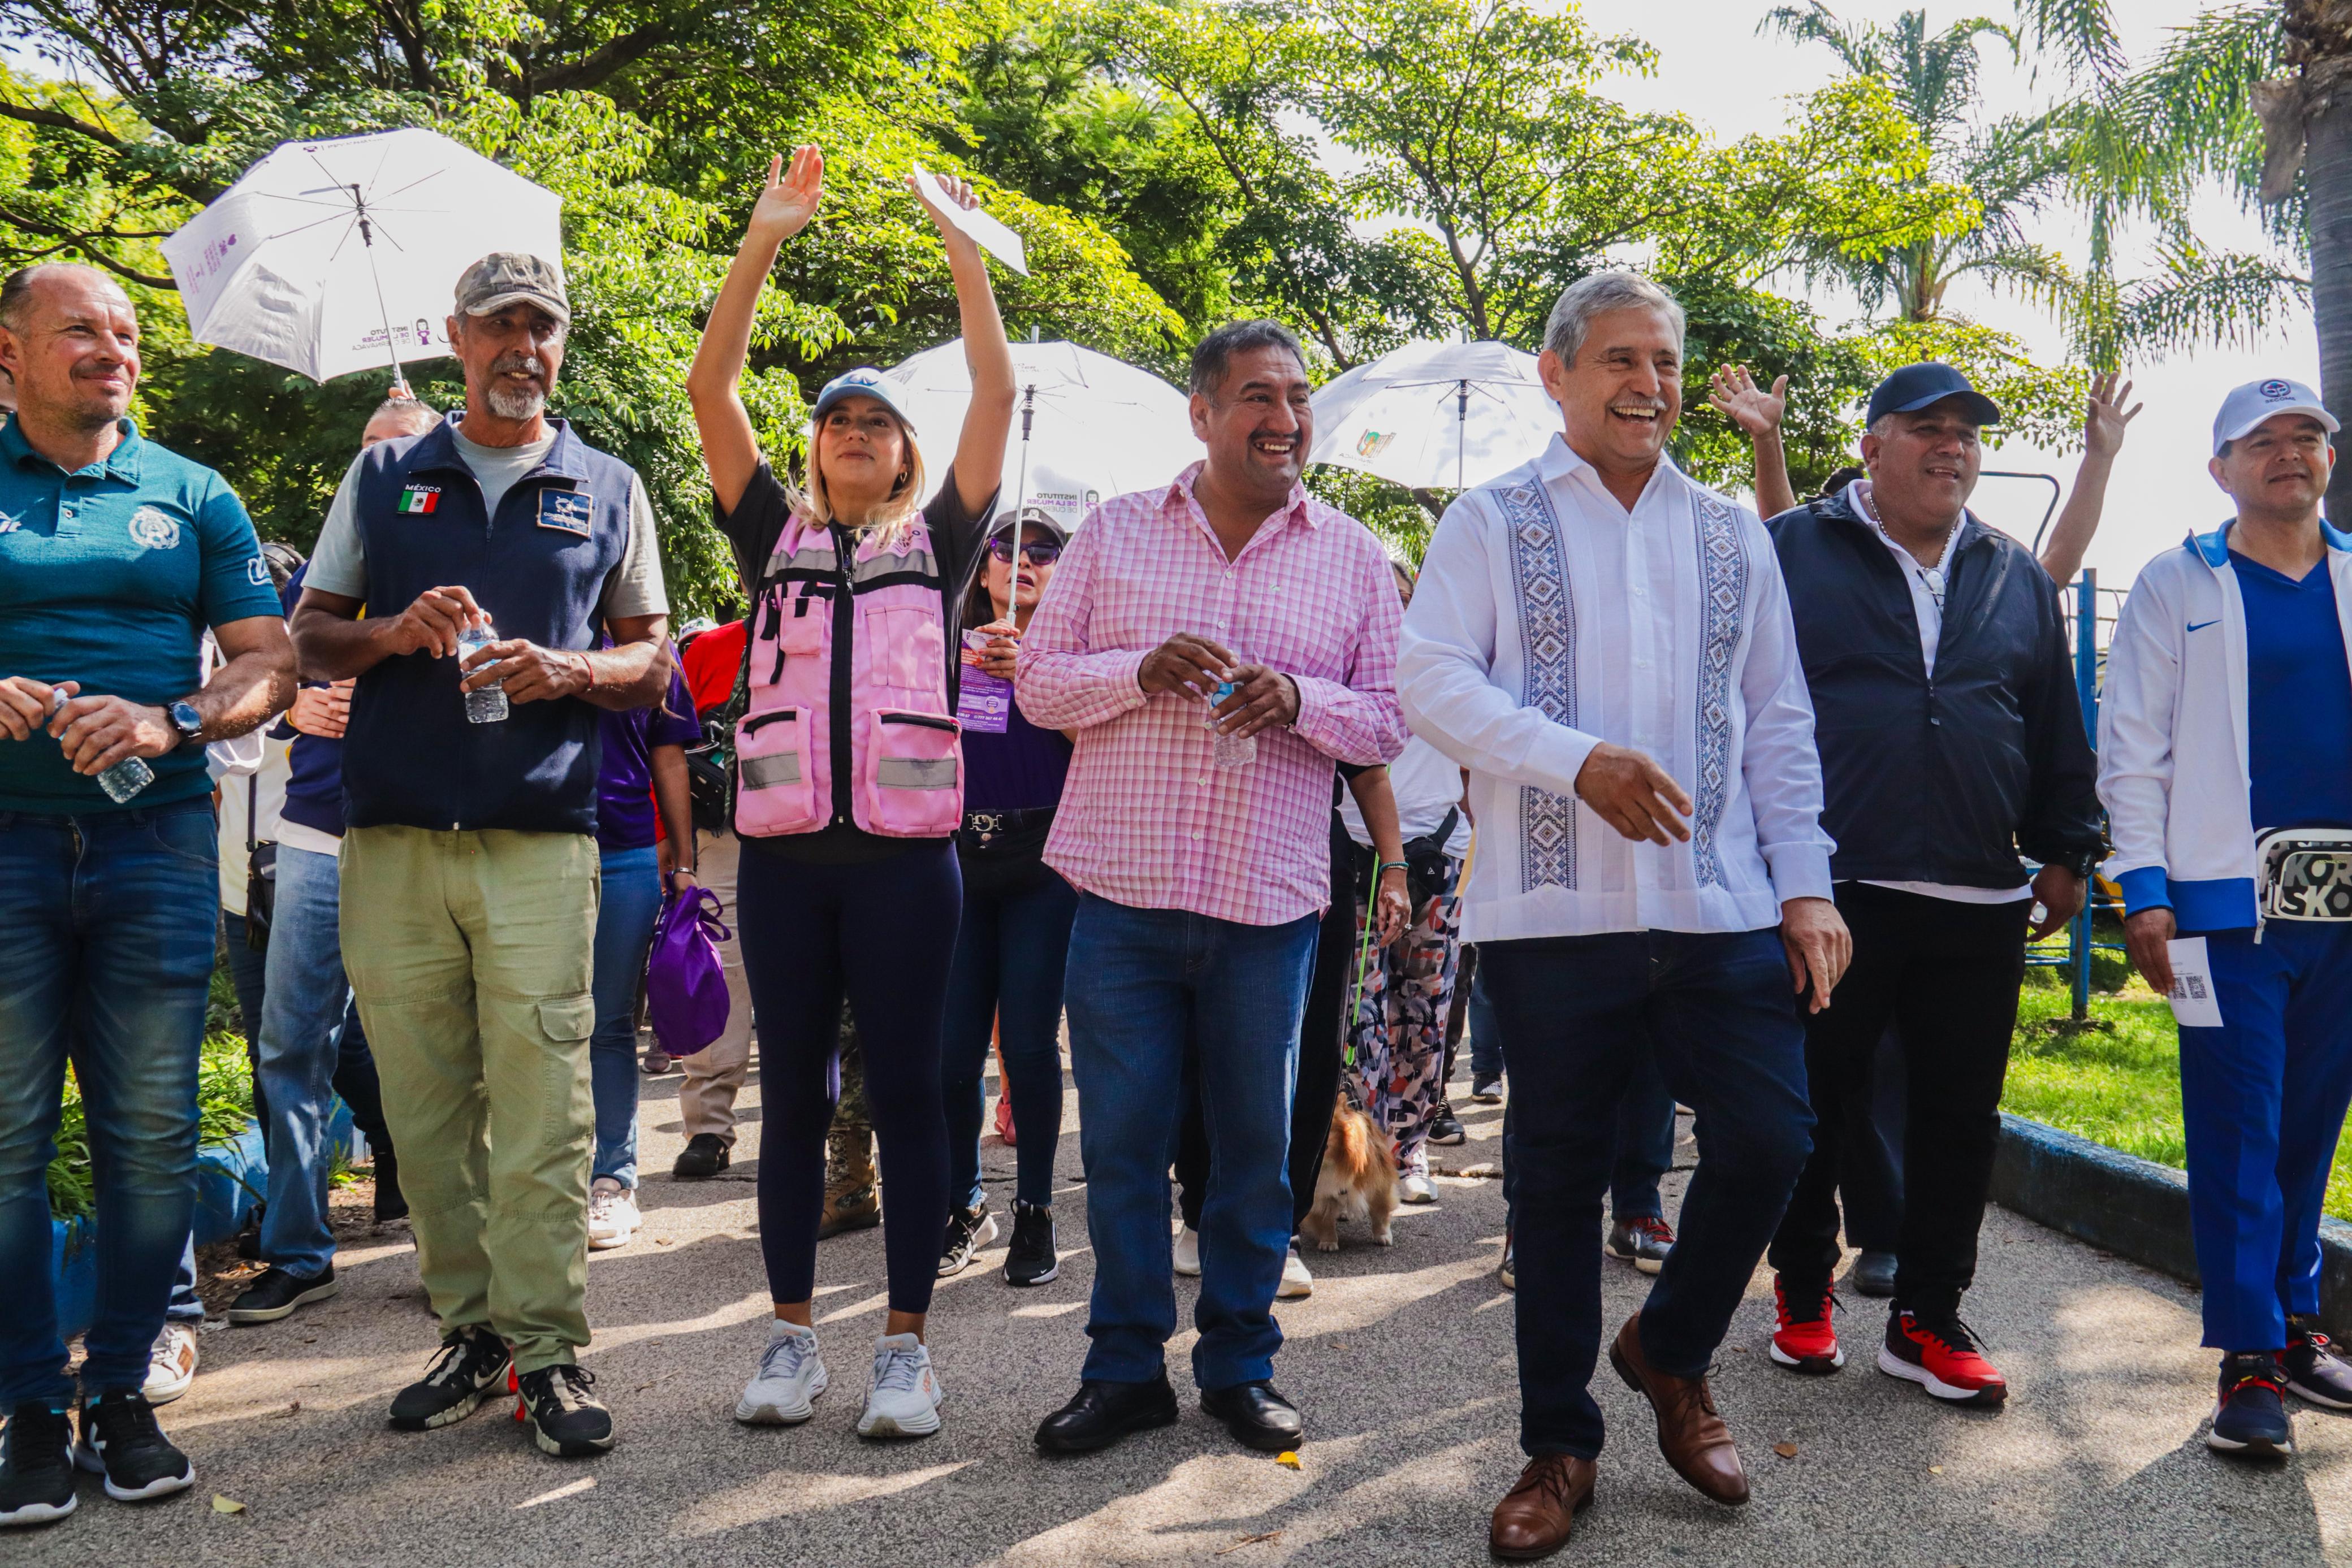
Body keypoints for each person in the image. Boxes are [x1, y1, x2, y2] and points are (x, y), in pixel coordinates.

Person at [1398, 271, 1848, 1558]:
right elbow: (1429, 677)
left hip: (1718, 902)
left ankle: (1670, 1346)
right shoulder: (1493, 520)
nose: (1647, 384)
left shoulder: (1732, 533)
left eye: (1663, 361)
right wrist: (1572, 759)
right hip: (1553, 911)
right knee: (1553, 1182)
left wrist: (1807, 883)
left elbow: (1778, 722)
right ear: (1557, 374)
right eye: (1618, 359)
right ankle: (1559, 1443)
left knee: (1769, 1137)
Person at [289, 252, 673, 1459]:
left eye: (541, 328)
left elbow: (652, 662)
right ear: (455, 337)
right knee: (424, 1107)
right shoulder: (385, 474)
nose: (523, 347)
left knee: (547, 1104)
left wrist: (570, 668)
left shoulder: (607, 484)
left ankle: (547, 1350)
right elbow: (309, 636)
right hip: (394, 839)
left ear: (560, 344)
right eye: (500, 325)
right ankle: (473, 1332)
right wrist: (394, 632)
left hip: (540, 839)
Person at [1021, 317, 1408, 1458]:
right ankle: (1124, 1368)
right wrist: (1139, 670)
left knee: (1253, 1152)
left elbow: (1388, 719)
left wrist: (1299, 698)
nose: (1285, 418)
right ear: (1201, 413)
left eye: (1298, 398)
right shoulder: (1113, 533)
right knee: (1123, 1149)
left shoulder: (1351, 555)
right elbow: (1038, 684)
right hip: (1122, 895)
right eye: (1258, 396)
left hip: (1267, 905)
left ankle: (1240, 1364)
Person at [686, 146, 1013, 1440]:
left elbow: (995, 387)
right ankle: (789, 1340)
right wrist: (764, 236)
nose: (856, 433)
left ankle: (905, 1350)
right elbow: (711, 386)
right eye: (837, 421)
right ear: (816, 449)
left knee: (917, 1096)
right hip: (784, 861)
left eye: (877, 422)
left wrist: (963, 249)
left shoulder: (940, 544)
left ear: (906, 452)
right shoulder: (771, 536)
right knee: (797, 1102)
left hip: (906, 864)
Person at [0, 262, 294, 1527]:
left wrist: (172, 717)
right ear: (9, 353)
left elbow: (270, 661)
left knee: (151, 1137)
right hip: (5, 850)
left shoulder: (194, 492)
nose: (113, 348)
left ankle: (120, 1389)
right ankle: (27, 1406)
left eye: (125, 332)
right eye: (81, 329)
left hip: (156, 846)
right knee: (7, 1142)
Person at [1757, 362, 2102, 1405]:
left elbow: (2051, 717)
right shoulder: (1793, 549)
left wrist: (2066, 846)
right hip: (1834, 885)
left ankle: (1928, 1315)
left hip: (1976, 894)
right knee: (1813, 1102)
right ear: (1872, 445)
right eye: (1927, 427)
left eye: (1967, 432)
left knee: (1960, 1117)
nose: (1952, 446)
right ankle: (1803, 1291)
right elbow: (1738, 704)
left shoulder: (2011, 572)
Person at [2102, 376, 2352, 1461]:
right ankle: (2248, 1356)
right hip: (2222, 911)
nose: (2289, 453)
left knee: (2309, 1125)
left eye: (2308, 436)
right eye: (2263, 441)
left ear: (2329, 457)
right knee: (2239, 1125)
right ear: (2221, 468)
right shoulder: (2179, 581)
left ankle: (2295, 1319)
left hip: (2343, 913)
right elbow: (2132, 746)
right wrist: (2144, 888)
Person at [221, 398, 438, 1332]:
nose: (380, 464)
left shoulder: (466, 558)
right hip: (312, 833)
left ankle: (450, 1248)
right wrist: (288, 711)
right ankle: (299, 1253)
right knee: (290, 1046)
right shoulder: (319, 574)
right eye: (368, 450)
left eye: (401, 447)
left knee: (431, 1052)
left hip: (421, 832)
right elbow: (262, 677)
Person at [1171, 761, 1408, 1297]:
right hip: (1199, 840)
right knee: (1202, 1050)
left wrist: (1393, 868)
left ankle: (1280, 1232)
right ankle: (1199, 1212)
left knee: (1311, 1056)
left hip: (1310, 845)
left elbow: (1369, 765)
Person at [940, 506, 1079, 1284]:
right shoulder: (941, 642)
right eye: (1005, 546)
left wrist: (1034, 674)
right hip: (957, 860)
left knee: (1028, 1046)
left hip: (1043, 863)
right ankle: (964, 1204)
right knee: (951, 1053)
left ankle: (1035, 1209)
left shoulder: (1073, 653)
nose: (1022, 560)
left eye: (1043, 550)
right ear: (981, 564)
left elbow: (1097, 745)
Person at [1342, 560, 1471, 1206]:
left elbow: (1475, 760)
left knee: (1424, 1014)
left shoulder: (1446, 665)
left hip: (1438, 854)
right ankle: (1359, 1156)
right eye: (1382, 599)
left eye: (1403, 598)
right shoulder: (1342, 659)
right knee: (1359, 1020)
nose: (1393, 611)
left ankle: (1408, 1149)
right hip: (1354, 853)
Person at [586, 642, 700, 1250]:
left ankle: (613, 1179)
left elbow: (669, 755)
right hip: (525, 849)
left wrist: (684, 862)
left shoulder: (651, 647)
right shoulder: (524, 616)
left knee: (609, 1024)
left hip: (624, 851)